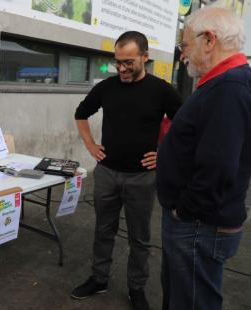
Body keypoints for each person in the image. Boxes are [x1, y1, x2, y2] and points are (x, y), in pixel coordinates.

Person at [72, 31, 183, 310]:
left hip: (142, 179)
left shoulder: (162, 90)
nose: (121, 68)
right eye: (117, 62)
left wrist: (163, 154)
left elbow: (184, 126)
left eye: (129, 62)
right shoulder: (106, 87)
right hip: (107, 174)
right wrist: (90, 145)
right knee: (103, 230)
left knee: (140, 238)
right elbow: (81, 113)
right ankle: (99, 278)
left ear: (145, 57)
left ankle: (137, 288)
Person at [156, 6, 250, 310]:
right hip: (198, 222)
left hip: (198, 224)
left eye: (185, 45)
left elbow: (218, 168)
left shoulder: (229, 88)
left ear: (209, 40)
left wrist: (183, 212)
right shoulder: (225, 83)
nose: (183, 55)